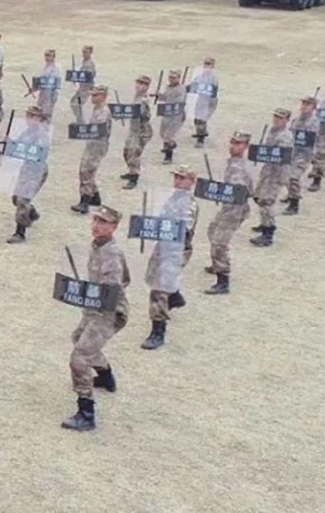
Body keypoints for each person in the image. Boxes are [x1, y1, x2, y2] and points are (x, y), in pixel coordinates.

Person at [62, 206, 129, 431]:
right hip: (95, 306)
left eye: (103, 222)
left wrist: (89, 293)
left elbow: (114, 285)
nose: (97, 225)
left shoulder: (110, 252)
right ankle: (106, 376)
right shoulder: (98, 246)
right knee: (79, 337)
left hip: (108, 311)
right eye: (96, 220)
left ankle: (86, 412)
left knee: (79, 357)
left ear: (114, 227)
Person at [141, 166, 198, 350]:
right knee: (152, 275)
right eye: (176, 177)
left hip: (177, 248)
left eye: (183, 178)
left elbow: (184, 229)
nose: (178, 181)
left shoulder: (189, 204)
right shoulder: (172, 198)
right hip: (164, 245)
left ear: (191, 182)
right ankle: (174, 296)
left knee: (158, 287)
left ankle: (158, 330)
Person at [205, 132, 255, 295]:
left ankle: (223, 280)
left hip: (234, 210)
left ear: (245, 146)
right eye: (232, 142)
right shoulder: (233, 163)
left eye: (238, 143)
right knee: (212, 230)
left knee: (220, 243)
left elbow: (241, 191)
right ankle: (216, 264)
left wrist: (221, 193)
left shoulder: (239, 168)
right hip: (228, 207)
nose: (233, 146)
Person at [250, 108, 293, 248]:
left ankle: (268, 232)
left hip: (277, 172)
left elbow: (281, 157)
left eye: (280, 118)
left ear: (286, 121)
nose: (276, 120)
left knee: (267, 201)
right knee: (259, 197)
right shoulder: (273, 131)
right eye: (275, 117)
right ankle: (264, 223)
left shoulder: (285, 137)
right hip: (268, 170)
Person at [6, 106, 49, 244]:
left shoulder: (42, 135)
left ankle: (20, 232)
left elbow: (38, 153)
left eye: (34, 117)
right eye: (29, 116)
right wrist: (10, 142)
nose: (30, 119)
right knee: (16, 198)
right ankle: (31, 212)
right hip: (26, 169)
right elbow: (18, 146)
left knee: (23, 200)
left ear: (40, 119)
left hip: (37, 170)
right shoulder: (26, 132)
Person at [71, 85, 111, 214]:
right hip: (93, 144)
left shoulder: (103, 111)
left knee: (86, 171)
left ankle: (85, 201)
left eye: (95, 95)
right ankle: (95, 197)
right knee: (89, 170)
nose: (92, 98)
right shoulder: (97, 109)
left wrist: (81, 131)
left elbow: (98, 129)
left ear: (103, 96)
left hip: (97, 145)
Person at [284, 96, 318, 216]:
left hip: (304, 154)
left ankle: (294, 204)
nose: (304, 106)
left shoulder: (314, 123)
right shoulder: (296, 120)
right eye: (303, 103)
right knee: (285, 176)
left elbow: (312, 141)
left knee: (294, 177)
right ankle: (290, 194)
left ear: (313, 108)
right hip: (292, 152)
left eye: (308, 104)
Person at [121, 75, 154, 190]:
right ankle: (131, 171)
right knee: (126, 152)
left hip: (142, 131)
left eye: (143, 84)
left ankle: (134, 178)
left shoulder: (143, 100)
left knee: (134, 154)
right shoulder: (137, 96)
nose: (139, 86)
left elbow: (142, 113)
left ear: (147, 86)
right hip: (134, 130)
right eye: (138, 83)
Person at [156, 70, 186, 164]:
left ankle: (168, 157)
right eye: (170, 78)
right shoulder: (168, 87)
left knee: (168, 136)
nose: (171, 80)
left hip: (176, 115)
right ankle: (171, 144)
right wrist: (159, 95)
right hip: (167, 113)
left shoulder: (181, 89)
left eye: (174, 78)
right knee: (162, 133)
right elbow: (165, 97)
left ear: (178, 78)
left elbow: (180, 101)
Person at [191, 57, 219, 147]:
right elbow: (194, 85)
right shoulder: (199, 75)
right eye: (206, 63)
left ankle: (201, 139)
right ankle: (201, 131)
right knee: (196, 119)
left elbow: (214, 91)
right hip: (199, 99)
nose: (207, 66)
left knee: (202, 119)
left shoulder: (213, 77)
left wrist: (210, 103)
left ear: (213, 66)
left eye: (209, 64)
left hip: (208, 100)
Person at [69, 45, 95, 123]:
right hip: (82, 88)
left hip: (86, 88)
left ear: (90, 53)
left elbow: (89, 77)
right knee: (73, 102)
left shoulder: (89, 64)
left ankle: (81, 121)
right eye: (83, 52)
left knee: (76, 104)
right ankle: (80, 120)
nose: (84, 54)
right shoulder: (84, 62)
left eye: (86, 52)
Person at [36, 49, 61, 119]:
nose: (47, 58)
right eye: (46, 55)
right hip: (43, 93)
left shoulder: (56, 68)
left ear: (53, 57)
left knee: (47, 115)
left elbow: (53, 82)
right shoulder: (45, 66)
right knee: (39, 113)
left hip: (51, 94)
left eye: (49, 56)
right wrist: (34, 87)